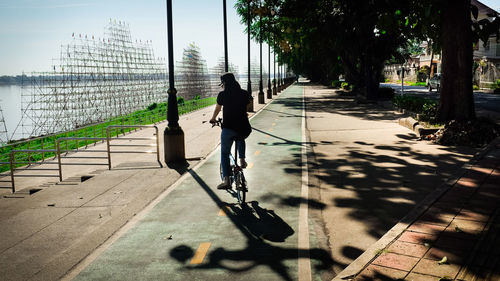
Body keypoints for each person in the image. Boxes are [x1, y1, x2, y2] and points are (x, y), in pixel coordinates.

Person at [210, 72, 252, 190]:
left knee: (224, 153)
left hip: (229, 128)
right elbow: (246, 105)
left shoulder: (222, 95)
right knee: (240, 136)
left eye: (222, 84)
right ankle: (242, 160)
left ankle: (227, 180)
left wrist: (213, 119)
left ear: (224, 83)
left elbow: (218, 108)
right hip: (244, 127)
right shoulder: (244, 93)